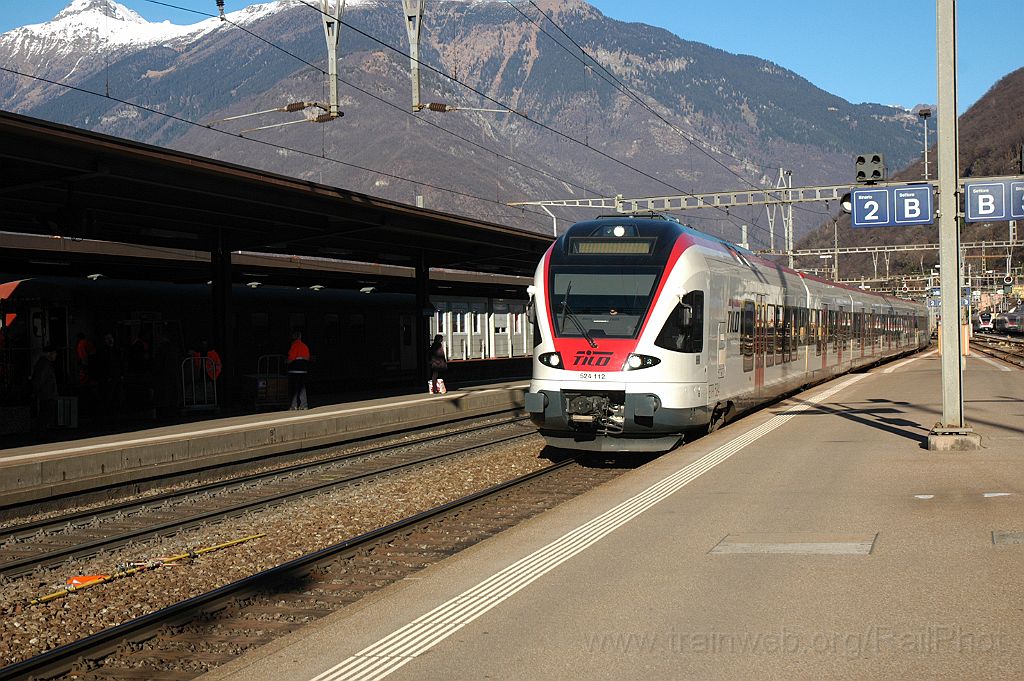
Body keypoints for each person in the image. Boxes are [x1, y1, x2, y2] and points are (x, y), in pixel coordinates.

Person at [30, 345, 59, 430]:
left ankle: (43, 432)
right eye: (54, 353)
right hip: (47, 395)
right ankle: (43, 433)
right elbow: (39, 381)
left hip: (47, 395)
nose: (56, 355)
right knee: (46, 416)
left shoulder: (43, 364)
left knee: (45, 416)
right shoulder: (44, 365)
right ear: (49, 354)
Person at [287, 330, 310, 410]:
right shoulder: (304, 346)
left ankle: (294, 405)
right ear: (300, 337)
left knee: (294, 388)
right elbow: (307, 358)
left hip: (294, 370)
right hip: (303, 370)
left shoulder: (294, 345)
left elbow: (291, 358)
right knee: (302, 388)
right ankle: (304, 405)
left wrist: (286, 362)